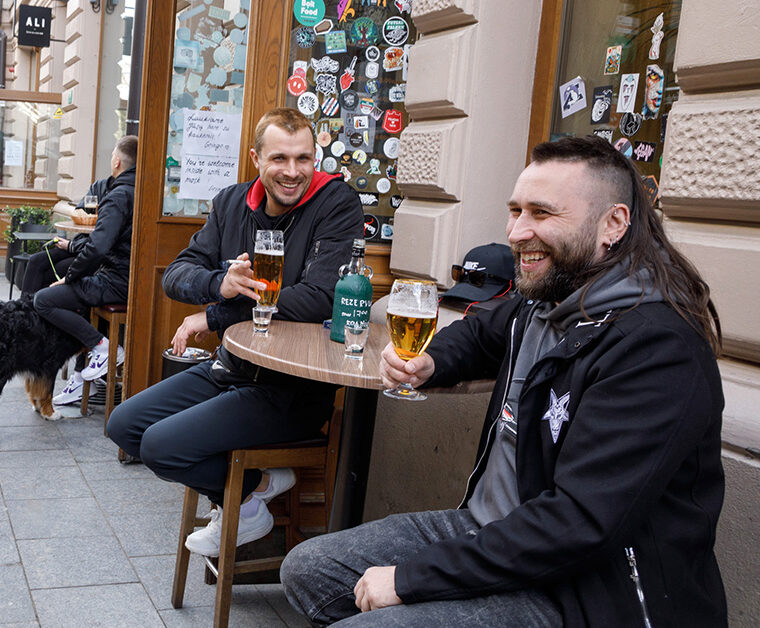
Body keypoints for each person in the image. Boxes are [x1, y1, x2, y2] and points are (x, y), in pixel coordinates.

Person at [280, 136, 726, 627]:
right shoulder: (548, 299)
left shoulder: (656, 349)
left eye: (542, 213)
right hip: (485, 530)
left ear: (613, 225)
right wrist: (430, 361)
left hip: (579, 592)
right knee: (309, 568)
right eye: (515, 210)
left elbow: (576, 524)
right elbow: (479, 334)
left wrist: (410, 579)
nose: (516, 231)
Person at [106, 108, 365, 557]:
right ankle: (256, 490)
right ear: (255, 158)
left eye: (304, 158)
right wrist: (217, 284)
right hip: (231, 369)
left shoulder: (335, 203)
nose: (292, 171)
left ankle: (243, 505)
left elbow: (319, 297)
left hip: (291, 389)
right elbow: (177, 275)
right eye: (279, 158)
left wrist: (215, 316)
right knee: (124, 426)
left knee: (162, 447)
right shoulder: (231, 202)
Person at [34, 136, 138, 406]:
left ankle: (104, 348)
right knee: (79, 304)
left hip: (116, 280)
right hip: (132, 279)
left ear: (117, 162)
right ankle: (83, 377)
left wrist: (70, 278)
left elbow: (99, 248)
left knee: (44, 300)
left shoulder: (118, 195)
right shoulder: (143, 189)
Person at [19, 176, 111, 299]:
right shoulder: (100, 185)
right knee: (36, 260)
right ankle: (22, 310)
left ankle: (34, 311)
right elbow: (80, 210)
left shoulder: (120, 197)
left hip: (92, 254)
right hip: (80, 243)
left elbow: (101, 243)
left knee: (50, 272)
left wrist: (71, 246)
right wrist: (72, 245)